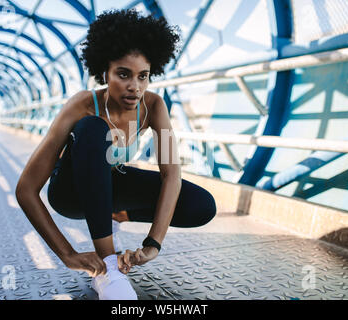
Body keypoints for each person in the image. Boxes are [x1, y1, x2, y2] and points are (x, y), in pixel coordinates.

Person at [15, 9, 216, 300]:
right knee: (93, 128)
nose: (135, 86)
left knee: (200, 205)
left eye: (143, 76)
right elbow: (26, 190)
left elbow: (172, 173)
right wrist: (67, 254)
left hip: (109, 183)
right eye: (123, 74)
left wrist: (152, 244)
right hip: (71, 192)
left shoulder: (155, 106)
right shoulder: (82, 104)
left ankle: (115, 215)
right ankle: (108, 270)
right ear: (104, 73)